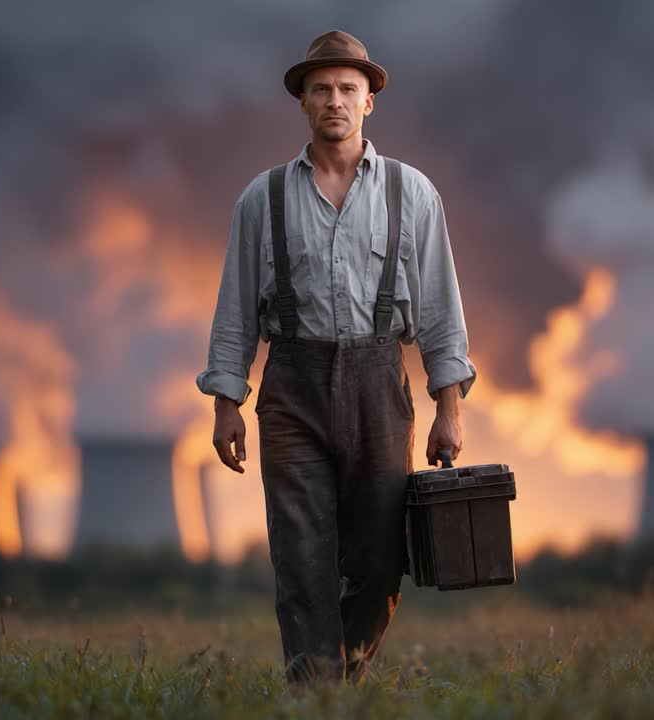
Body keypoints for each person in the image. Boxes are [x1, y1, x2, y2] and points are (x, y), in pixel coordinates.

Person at [196, 30, 477, 684]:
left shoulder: (413, 193)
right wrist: (225, 403)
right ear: (302, 101)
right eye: (321, 89)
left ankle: (338, 678)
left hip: (380, 386)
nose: (334, 101)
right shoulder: (262, 198)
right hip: (291, 390)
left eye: (348, 89)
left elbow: (441, 307)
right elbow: (235, 307)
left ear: (369, 101)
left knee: (380, 565)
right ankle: (315, 697)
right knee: (301, 563)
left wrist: (449, 409)